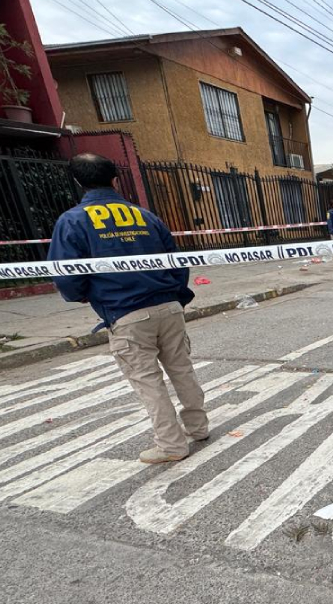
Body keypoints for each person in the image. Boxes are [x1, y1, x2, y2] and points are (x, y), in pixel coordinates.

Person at [49, 154, 207, 465]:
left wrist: (82, 295)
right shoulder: (146, 216)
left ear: (78, 182)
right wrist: (177, 297)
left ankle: (171, 444)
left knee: (147, 380)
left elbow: (66, 275)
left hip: (126, 312)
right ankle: (198, 428)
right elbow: (176, 262)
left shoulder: (73, 221)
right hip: (168, 306)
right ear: (115, 180)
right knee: (181, 369)